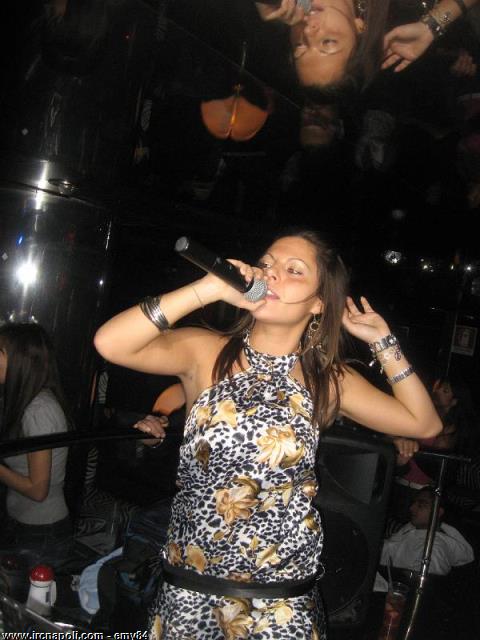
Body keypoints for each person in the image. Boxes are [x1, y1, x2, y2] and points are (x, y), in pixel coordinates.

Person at [94, 227, 442, 639]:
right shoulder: (205, 351)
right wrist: (206, 289)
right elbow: (110, 343)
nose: (271, 273)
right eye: (267, 264)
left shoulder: (327, 380)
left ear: (318, 303)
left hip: (279, 604)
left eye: (294, 270)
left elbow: (424, 424)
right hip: (190, 589)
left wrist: (383, 341)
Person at [0, 322, 72, 568]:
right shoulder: (20, 401)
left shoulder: (38, 410)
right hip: (22, 524)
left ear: (20, 360)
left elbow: (37, 490)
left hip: (41, 533)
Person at [381, 486, 474, 575]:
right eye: (413, 503)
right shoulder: (411, 528)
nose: (411, 508)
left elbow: (422, 579)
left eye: (421, 505)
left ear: (438, 512)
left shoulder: (434, 549)